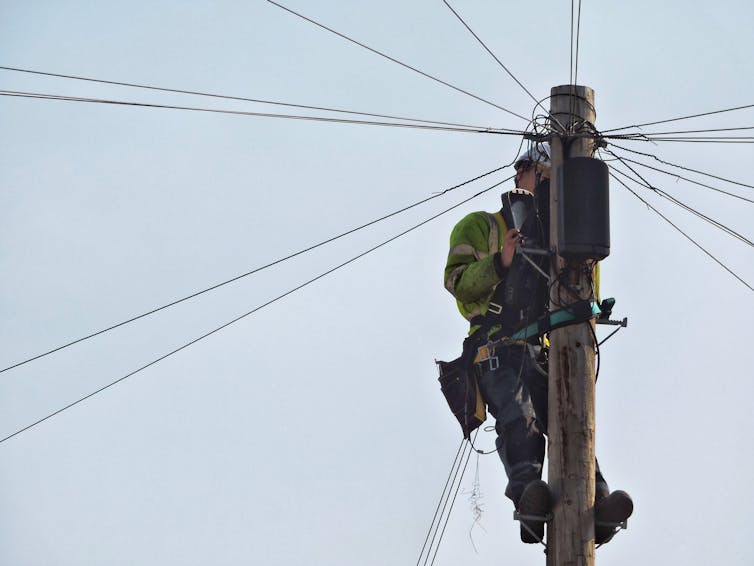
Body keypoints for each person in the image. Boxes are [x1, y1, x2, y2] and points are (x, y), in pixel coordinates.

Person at [443, 143, 632, 544]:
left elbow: (584, 297)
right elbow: (456, 281)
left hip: (546, 348)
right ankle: (528, 497)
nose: (534, 179)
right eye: (533, 171)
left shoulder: (567, 239)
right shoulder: (481, 225)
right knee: (518, 417)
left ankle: (596, 501)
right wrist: (501, 261)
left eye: (548, 176)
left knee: (572, 418)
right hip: (495, 346)